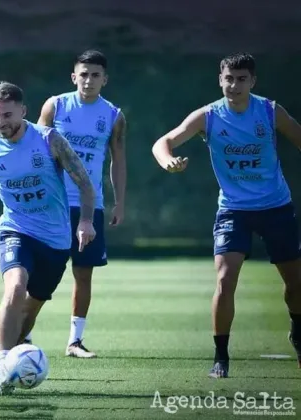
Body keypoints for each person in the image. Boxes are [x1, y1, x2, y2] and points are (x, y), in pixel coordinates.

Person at [151, 52, 301, 378]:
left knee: (296, 285)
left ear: (253, 81)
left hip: (276, 206)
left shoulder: (269, 111)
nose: (234, 85)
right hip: (233, 209)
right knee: (225, 278)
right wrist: (167, 160)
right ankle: (221, 356)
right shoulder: (208, 117)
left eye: (241, 79)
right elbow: (164, 141)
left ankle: (297, 328)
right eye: (228, 79)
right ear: (220, 80)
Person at [0, 81, 96, 394]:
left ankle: (4, 355)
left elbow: (84, 182)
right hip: (16, 229)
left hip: (55, 240)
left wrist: (86, 222)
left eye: (7, 115)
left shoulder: (49, 140)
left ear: (24, 111)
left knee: (28, 313)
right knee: (14, 288)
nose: (1, 123)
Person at [34, 49, 126, 358]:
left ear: (105, 79)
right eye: (83, 74)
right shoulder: (56, 105)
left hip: (90, 206)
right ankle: (24, 336)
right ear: (74, 77)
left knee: (83, 272)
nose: (88, 80)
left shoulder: (113, 115)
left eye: (95, 75)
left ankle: (74, 341)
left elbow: (117, 161)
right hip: (53, 205)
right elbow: (35, 149)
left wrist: (119, 202)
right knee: (37, 271)